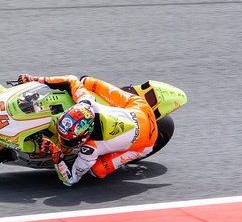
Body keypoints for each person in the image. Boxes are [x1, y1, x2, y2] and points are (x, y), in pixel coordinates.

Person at [18, 73, 158, 186]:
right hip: (139, 107)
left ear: (83, 138)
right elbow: (71, 80)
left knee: (97, 172)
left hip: (145, 141)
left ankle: (119, 154)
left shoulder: (90, 150)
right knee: (86, 81)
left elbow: (71, 179)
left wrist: (56, 155)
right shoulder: (86, 102)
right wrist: (36, 79)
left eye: (66, 139)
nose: (61, 140)